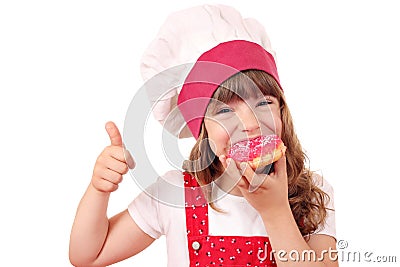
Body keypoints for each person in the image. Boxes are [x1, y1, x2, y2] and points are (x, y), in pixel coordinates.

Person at [69, 4, 337, 267]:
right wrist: (99, 189)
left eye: (264, 103)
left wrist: (276, 212)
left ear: (282, 111)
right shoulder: (174, 194)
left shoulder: (314, 193)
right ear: (202, 132)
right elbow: (88, 255)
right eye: (223, 111)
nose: (249, 124)